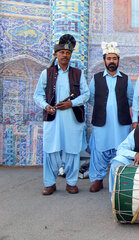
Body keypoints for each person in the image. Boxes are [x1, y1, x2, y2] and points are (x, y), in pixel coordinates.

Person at [33, 34, 90, 195]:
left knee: (72, 150)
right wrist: (46, 106)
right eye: (62, 53)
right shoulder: (47, 73)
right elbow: (37, 95)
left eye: (68, 53)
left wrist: (71, 103)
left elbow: (86, 95)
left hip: (72, 119)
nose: (65, 55)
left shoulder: (78, 73)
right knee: (51, 150)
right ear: (56, 54)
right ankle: (50, 183)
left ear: (71, 55)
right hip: (53, 118)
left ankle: (71, 183)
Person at [87, 42, 134, 192]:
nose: (112, 61)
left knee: (121, 150)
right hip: (102, 121)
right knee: (99, 150)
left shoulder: (126, 79)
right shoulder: (96, 78)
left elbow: (131, 100)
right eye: (109, 58)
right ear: (104, 60)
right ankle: (97, 180)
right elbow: (91, 98)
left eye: (114, 58)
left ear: (118, 60)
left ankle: (121, 180)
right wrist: (104, 107)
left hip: (121, 123)